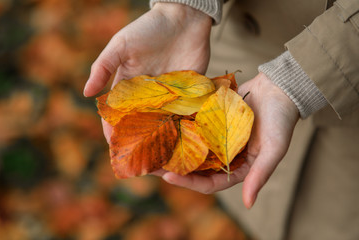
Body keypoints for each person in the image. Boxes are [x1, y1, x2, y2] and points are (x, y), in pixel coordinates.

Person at [83, 0, 359, 239]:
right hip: (233, 39)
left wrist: (301, 79)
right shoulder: (211, 84)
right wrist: (184, 9)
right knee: (256, 202)